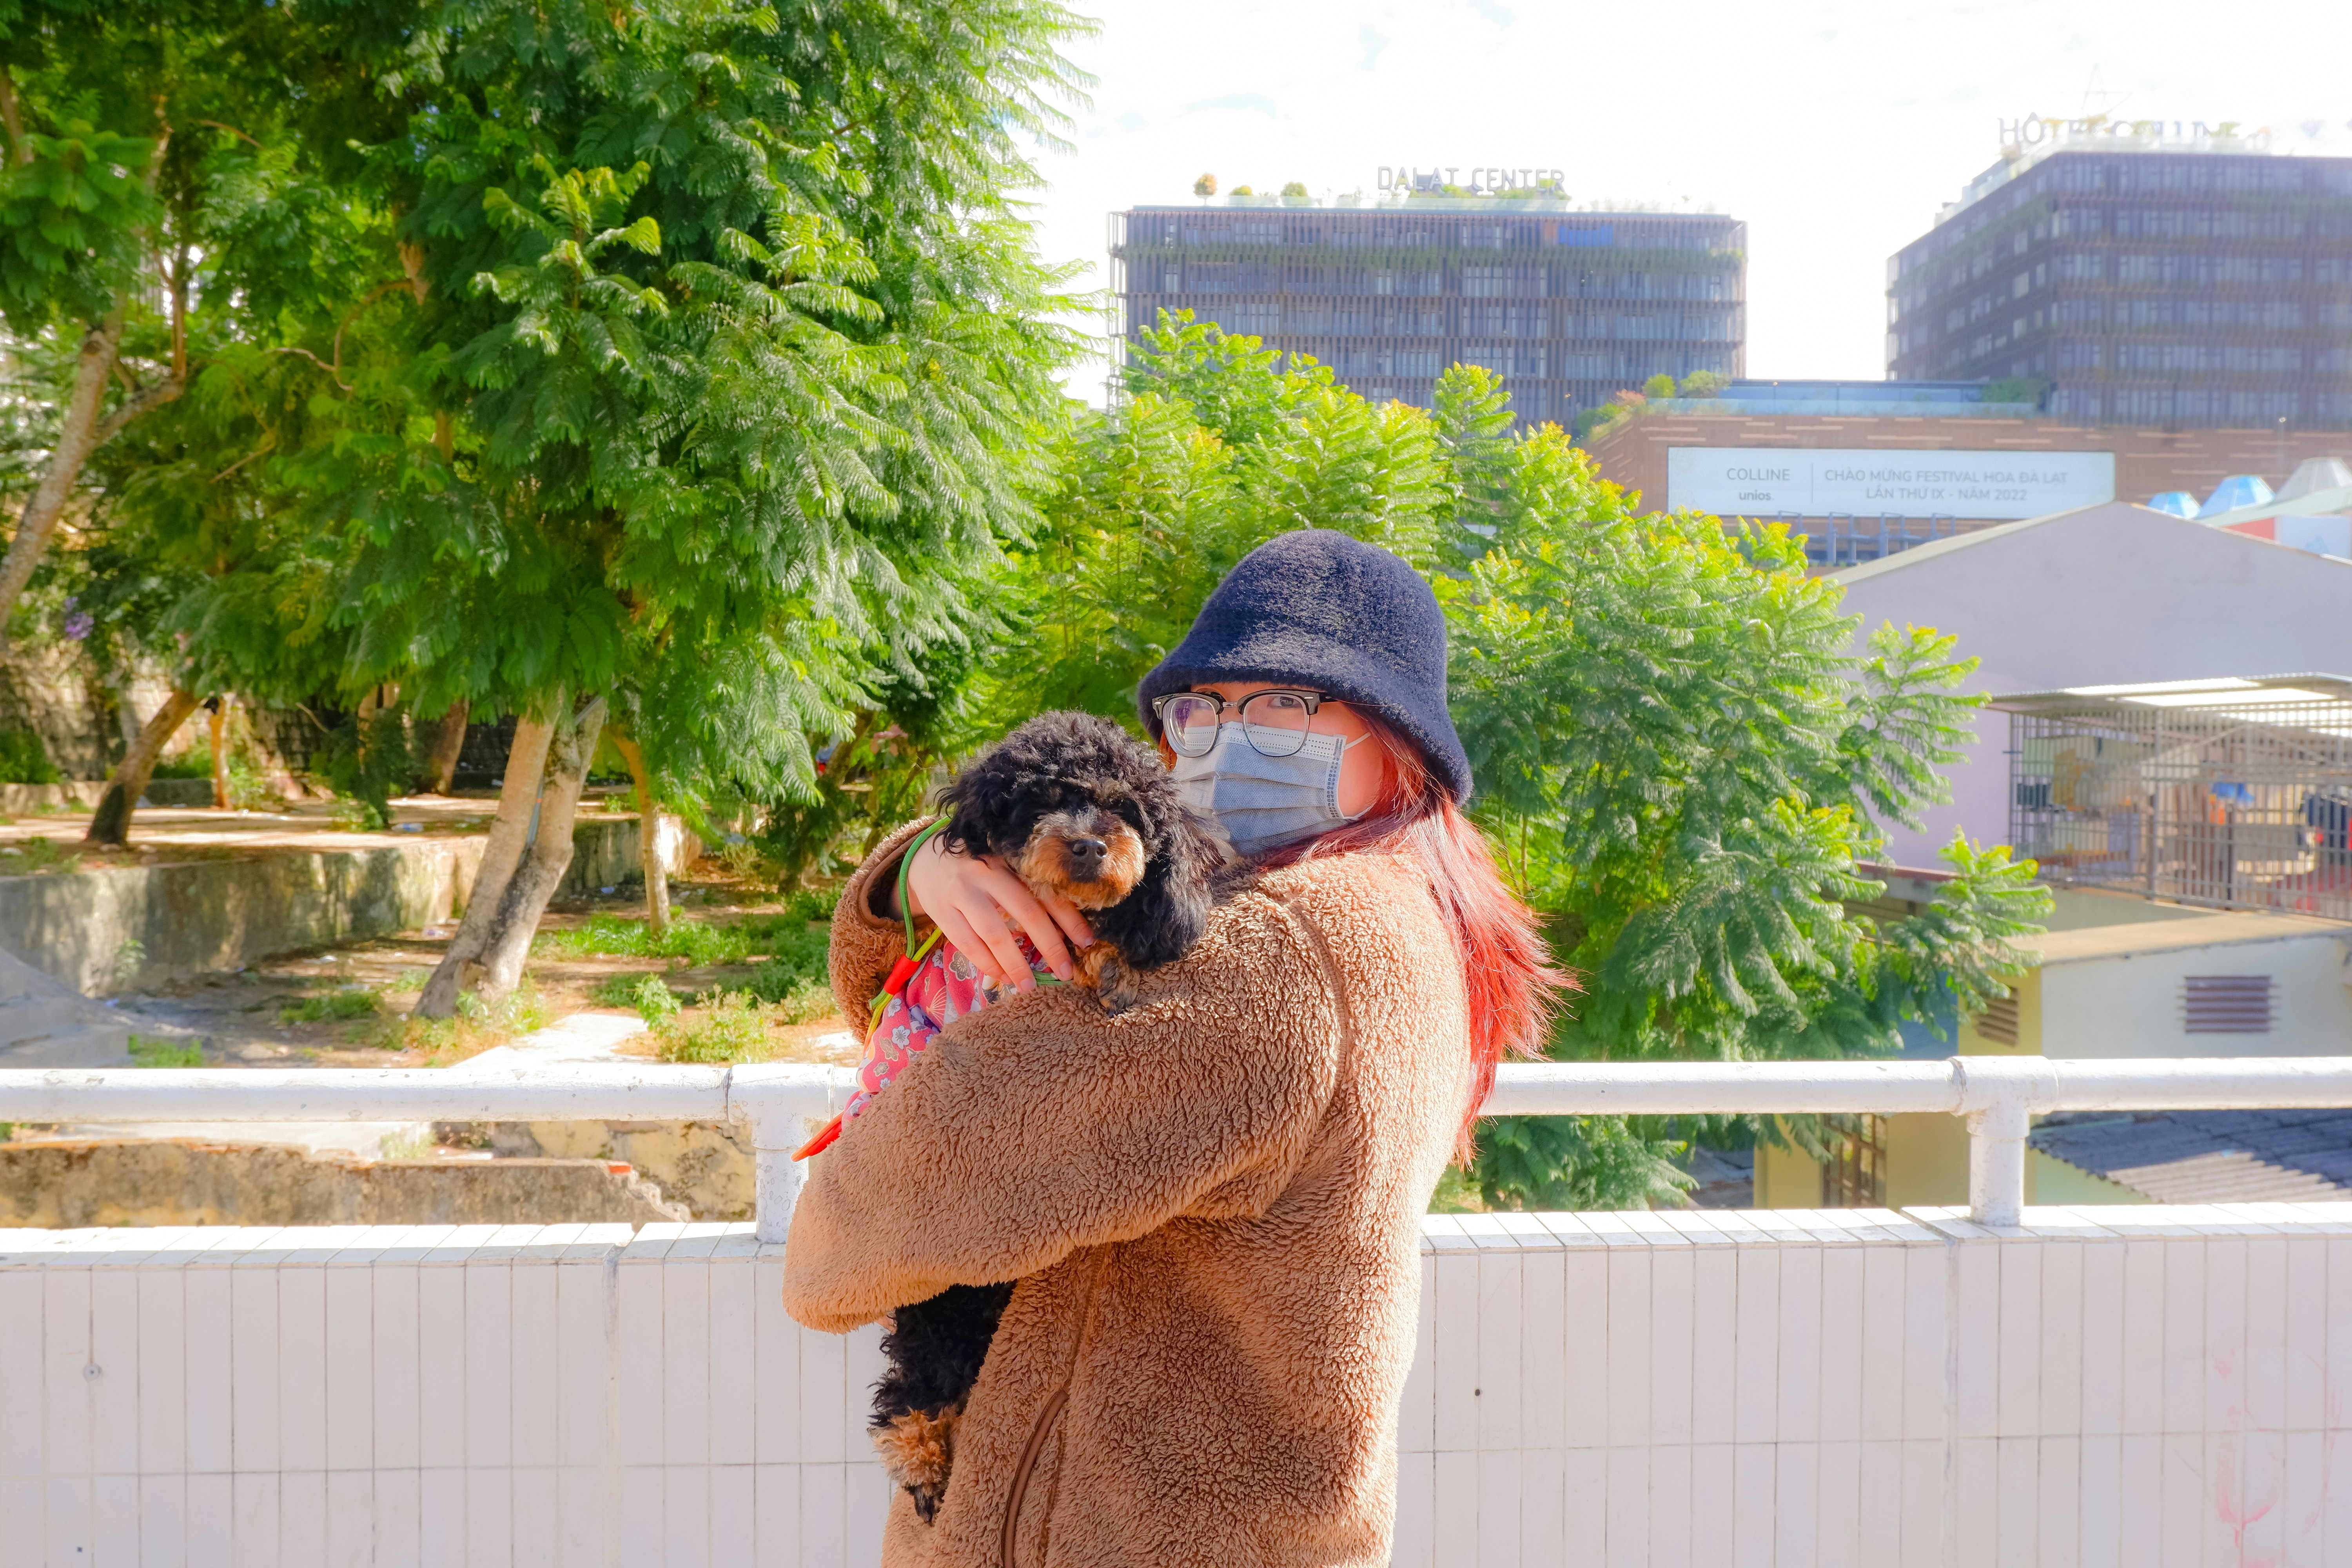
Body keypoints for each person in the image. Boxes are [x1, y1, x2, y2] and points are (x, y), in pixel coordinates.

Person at [782, 528, 1564, 1566]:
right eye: (1203, 709)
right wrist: (924, 867)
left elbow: (866, 1224)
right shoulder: (1396, 909)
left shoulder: (1267, 953)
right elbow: (929, 1008)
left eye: (1285, 705)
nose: (1227, 740)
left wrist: (831, 1206)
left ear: (1400, 743)